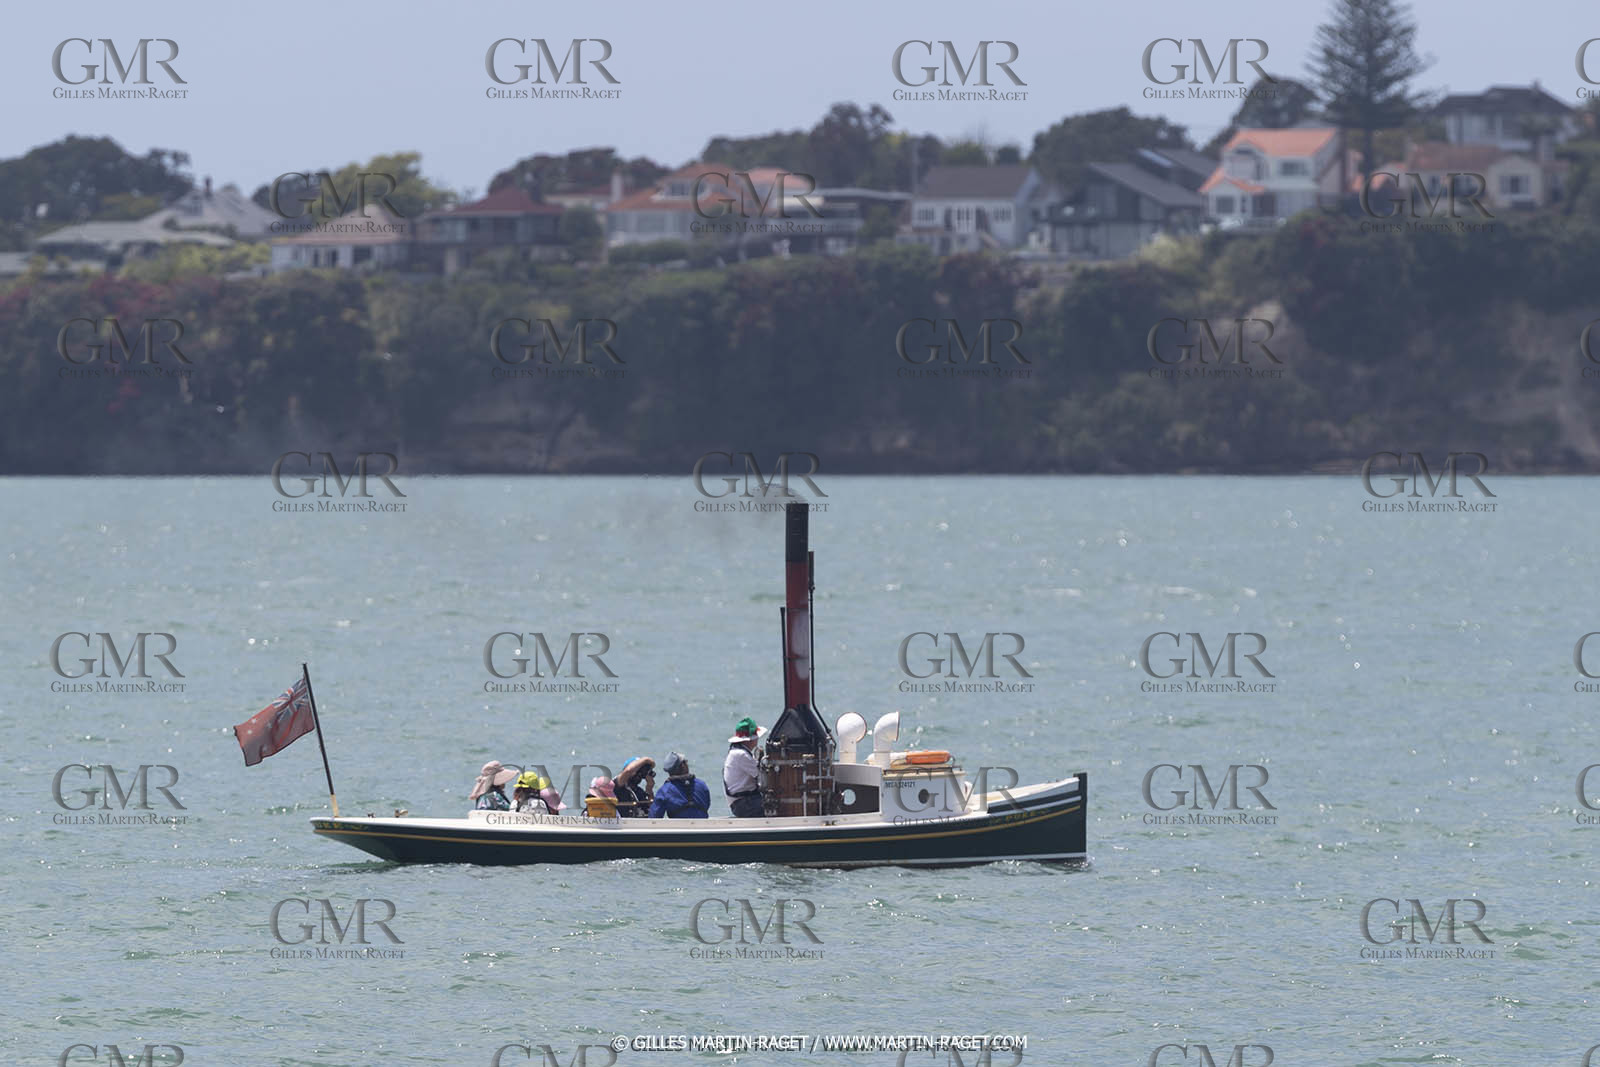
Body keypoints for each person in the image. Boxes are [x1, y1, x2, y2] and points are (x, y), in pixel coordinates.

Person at [723, 716, 767, 818]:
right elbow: (761, 775)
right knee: (777, 806)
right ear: (750, 740)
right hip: (744, 803)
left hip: (742, 801)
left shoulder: (736, 752)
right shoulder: (741, 755)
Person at [649, 751, 710, 819]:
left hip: (678, 826)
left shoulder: (665, 790)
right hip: (703, 825)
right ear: (683, 766)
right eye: (685, 761)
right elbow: (707, 805)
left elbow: (654, 816)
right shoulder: (702, 785)